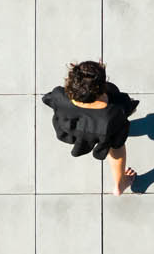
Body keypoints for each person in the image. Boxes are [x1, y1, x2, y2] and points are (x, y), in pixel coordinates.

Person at [41, 59, 139, 195]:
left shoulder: (59, 95)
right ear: (101, 88)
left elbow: (47, 99)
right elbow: (126, 109)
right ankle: (119, 184)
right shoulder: (114, 111)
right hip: (104, 131)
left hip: (71, 132)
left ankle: (119, 184)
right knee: (117, 147)